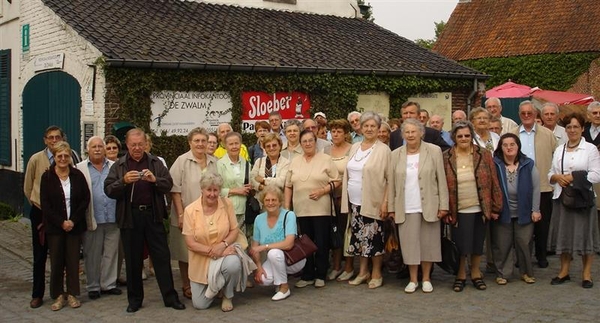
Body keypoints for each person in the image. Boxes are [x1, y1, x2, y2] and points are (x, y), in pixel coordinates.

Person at [104, 128, 185, 313]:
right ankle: (134, 300)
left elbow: (168, 184)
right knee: (133, 260)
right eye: (133, 145)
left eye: (140, 144)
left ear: (145, 144)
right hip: (130, 217)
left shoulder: (155, 162)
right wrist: (123, 181)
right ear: (127, 145)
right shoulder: (120, 165)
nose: (137, 148)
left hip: (153, 215)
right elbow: (108, 190)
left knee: (162, 258)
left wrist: (155, 179)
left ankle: (170, 297)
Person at [388, 118, 448, 293]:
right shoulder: (395, 154)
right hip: (406, 205)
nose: (410, 135)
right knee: (409, 244)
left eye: (414, 131)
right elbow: (391, 183)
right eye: (407, 132)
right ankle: (413, 279)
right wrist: (391, 207)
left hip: (429, 204)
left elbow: (441, 179)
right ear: (403, 135)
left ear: (421, 133)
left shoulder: (434, 151)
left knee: (428, 243)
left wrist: (443, 205)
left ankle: (427, 278)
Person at [443, 121, 503, 292]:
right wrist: (445, 208)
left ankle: (476, 273)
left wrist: (496, 206)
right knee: (460, 244)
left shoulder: (483, 154)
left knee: (477, 243)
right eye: (460, 136)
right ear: (454, 137)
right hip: (458, 207)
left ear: (472, 136)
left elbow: (494, 180)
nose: (463, 138)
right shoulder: (446, 156)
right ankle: (461, 274)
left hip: (480, 206)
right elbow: (441, 184)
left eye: (467, 135)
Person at [183, 172, 251, 311]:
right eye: (209, 190)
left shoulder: (227, 204)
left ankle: (227, 295)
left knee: (233, 264)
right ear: (202, 189)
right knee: (200, 304)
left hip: (225, 253)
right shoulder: (190, 210)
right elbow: (190, 243)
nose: (212, 194)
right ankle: (217, 284)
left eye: (216, 190)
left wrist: (223, 245)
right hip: (201, 260)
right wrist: (214, 251)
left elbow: (234, 230)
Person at [548, 113, 600, 289]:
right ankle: (564, 271)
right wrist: (556, 176)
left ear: (582, 129)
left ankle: (586, 273)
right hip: (564, 199)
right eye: (569, 127)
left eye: (576, 127)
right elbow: (550, 172)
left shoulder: (590, 149)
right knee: (565, 236)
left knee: (586, 237)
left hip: (583, 200)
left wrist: (571, 177)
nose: (572, 130)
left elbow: (596, 174)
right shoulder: (559, 149)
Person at [341, 112, 390, 289]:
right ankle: (363, 271)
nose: (369, 129)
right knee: (359, 238)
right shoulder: (354, 147)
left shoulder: (384, 150)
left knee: (374, 238)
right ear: (361, 128)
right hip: (354, 202)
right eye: (366, 126)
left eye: (373, 126)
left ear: (378, 129)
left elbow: (389, 179)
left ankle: (376, 272)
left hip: (373, 201)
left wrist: (385, 202)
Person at [285, 129, 340, 288]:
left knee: (321, 242)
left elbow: (337, 180)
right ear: (300, 144)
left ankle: (321, 274)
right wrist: (287, 207)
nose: (308, 144)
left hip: (321, 208)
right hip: (301, 209)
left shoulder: (326, 159)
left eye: (310, 140)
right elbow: (288, 185)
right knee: (304, 243)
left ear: (315, 142)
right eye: (304, 141)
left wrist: (322, 191)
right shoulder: (295, 161)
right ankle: (307, 274)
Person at [41, 141, 90, 310]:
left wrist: (73, 221)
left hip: (74, 226)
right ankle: (58, 295)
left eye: (66, 156)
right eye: (59, 156)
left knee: (73, 261)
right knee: (57, 262)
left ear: (70, 157)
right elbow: (45, 204)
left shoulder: (77, 175)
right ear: (54, 157)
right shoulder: (47, 177)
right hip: (55, 228)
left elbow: (85, 199)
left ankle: (72, 294)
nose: (62, 159)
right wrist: (61, 222)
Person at [169, 127, 218, 299]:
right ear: (190, 143)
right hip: (187, 214)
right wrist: (180, 214)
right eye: (196, 141)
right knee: (185, 251)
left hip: (210, 215)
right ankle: (186, 284)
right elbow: (175, 190)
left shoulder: (214, 162)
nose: (200, 144)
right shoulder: (181, 161)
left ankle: (206, 282)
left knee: (206, 248)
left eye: (203, 141)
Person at [510, 100, 558, 268]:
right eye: (523, 113)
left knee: (542, 224)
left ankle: (541, 255)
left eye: (529, 113)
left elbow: (556, 156)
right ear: (519, 115)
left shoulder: (547, 134)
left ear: (536, 114)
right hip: (519, 186)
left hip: (543, 185)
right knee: (521, 223)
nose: (526, 115)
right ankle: (522, 257)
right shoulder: (513, 134)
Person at [491, 133, 541, 285]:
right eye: (505, 145)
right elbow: (490, 187)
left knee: (524, 243)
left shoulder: (528, 164)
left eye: (512, 144)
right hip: (502, 212)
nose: (509, 148)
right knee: (502, 244)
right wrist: (493, 209)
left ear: (518, 146)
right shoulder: (495, 164)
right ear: (501, 147)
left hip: (524, 211)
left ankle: (526, 272)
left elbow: (536, 188)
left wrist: (535, 209)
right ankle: (503, 273)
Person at [77, 137, 121, 301]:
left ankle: (108, 284)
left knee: (111, 252)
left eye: (100, 146)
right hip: (92, 217)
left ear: (104, 149)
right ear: (87, 150)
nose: (97, 149)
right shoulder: (80, 168)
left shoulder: (114, 166)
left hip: (112, 215)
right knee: (92, 254)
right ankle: (93, 286)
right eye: (93, 147)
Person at [24, 126, 63, 308]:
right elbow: (28, 186)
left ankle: (59, 292)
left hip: (60, 213)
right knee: (40, 255)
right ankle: (37, 294)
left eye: (57, 137)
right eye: (51, 138)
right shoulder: (35, 159)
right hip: (40, 213)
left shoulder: (66, 157)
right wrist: (37, 204)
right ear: (45, 140)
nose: (54, 141)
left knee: (58, 254)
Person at [250, 185, 305, 301]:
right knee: (263, 279)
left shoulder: (289, 215)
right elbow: (254, 247)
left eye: (274, 200)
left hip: (294, 259)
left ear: (280, 202)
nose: (270, 203)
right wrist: (259, 268)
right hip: (275, 259)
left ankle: (284, 287)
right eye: (267, 200)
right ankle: (279, 282)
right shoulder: (259, 219)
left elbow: (289, 244)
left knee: (273, 253)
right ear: (263, 202)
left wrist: (264, 247)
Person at [327, 119, 354, 281]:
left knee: (347, 231)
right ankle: (336, 266)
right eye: (333, 131)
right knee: (334, 232)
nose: (336, 134)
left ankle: (349, 266)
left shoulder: (352, 149)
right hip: (329, 197)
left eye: (339, 131)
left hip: (347, 197)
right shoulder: (325, 150)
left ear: (346, 133)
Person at [217, 132, 252, 234]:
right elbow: (216, 191)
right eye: (231, 144)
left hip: (245, 210)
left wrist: (251, 186)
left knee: (244, 242)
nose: (234, 147)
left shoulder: (246, 163)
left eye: (236, 143)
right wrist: (235, 191)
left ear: (241, 144)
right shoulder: (220, 164)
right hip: (226, 210)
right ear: (225, 146)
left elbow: (250, 182)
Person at [250, 133, 290, 202]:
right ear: (265, 148)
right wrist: (260, 187)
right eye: (268, 146)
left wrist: (263, 180)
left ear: (280, 146)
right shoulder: (259, 161)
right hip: (260, 203)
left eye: (274, 145)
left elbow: (281, 182)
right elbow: (252, 179)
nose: (271, 148)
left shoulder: (286, 163)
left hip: (279, 203)